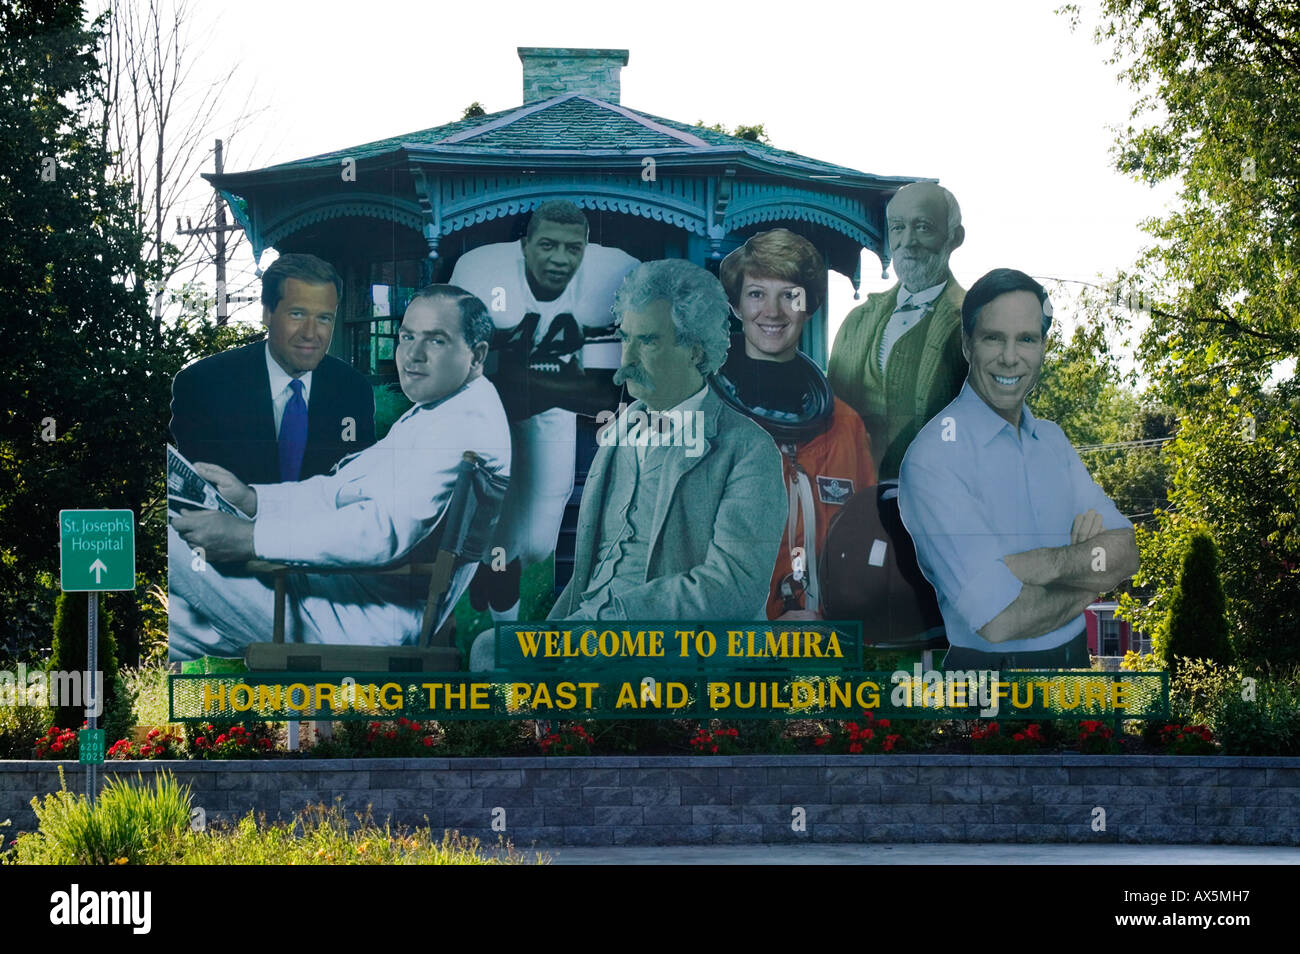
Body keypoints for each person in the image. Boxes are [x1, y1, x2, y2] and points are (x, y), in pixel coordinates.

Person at [468, 260, 787, 669]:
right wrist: (558, 632)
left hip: (669, 645)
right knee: (488, 651)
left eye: (649, 341)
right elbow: (592, 572)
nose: (629, 357)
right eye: (627, 338)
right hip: (589, 633)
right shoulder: (621, 433)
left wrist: (612, 622)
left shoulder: (748, 449)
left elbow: (734, 588)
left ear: (696, 350)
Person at [167, 286, 510, 662]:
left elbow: (381, 532)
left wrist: (250, 537)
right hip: (353, 598)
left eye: (437, 340)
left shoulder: (461, 426)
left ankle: (118, 699)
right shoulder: (445, 408)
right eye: (407, 337)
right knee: (183, 616)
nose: (413, 355)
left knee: (173, 534)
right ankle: (131, 700)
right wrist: (253, 500)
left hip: (362, 619)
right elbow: (336, 490)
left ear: (476, 355)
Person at [898, 268, 1138, 669]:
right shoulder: (934, 458)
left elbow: (1125, 551)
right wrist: (1089, 580)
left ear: (1043, 346)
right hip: (989, 683)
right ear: (967, 345)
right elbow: (1001, 618)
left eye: (1026, 339)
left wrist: (1041, 565)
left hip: (1075, 670)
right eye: (994, 338)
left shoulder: (1053, 443)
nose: (1010, 358)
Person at [449, 200, 639, 622]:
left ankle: (495, 578)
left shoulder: (613, 277)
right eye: (548, 245)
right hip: (491, 416)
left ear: (586, 250)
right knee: (494, 524)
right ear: (525, 245)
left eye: (573, 248)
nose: (559, 258)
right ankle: (495, 619)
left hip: (552, 416)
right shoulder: (481, 273)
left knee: (537, 542)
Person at [711, 229, 875, 620]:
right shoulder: (705, 419)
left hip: (822, 648)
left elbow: (866, 545)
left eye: (790, 295)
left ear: (809, 306)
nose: (772, 311)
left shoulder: (844, 426)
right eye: (756, 293)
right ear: (736, 305)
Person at [170, 253, 376, 485]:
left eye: (324, 318)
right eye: (297, 314)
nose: (310, 333)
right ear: (267, 313)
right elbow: (197, 495)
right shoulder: (204, 386)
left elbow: (360, 488)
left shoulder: (354, 391)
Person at [827, 181, 968, 481]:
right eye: (897, 227)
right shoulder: (857, 322)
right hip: (860, 501)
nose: (908, 241)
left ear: (955, 237)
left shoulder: (975, 322)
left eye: (923, 227)